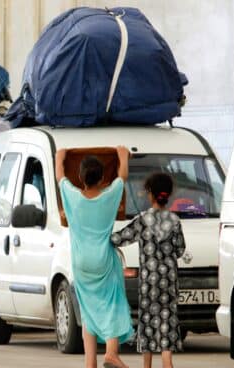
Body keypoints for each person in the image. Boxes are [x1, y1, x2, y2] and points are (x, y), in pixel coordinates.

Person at [56, 146, 134, 368]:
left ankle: (90, 362)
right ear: (102, 179)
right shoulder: (109, 197)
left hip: (80, 263)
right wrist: (121, 153)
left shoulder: (72, 196)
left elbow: (60, 174)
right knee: (112, 303)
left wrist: (61, 155)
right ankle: (111, 352)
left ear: (80, 177)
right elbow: (123, 176)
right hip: (103, 261)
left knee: (88, 309)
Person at [110, 173, 186, 368]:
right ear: (168, 194)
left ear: (150, 194)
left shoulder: (143, 220)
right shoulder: (175, 220)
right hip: (169, 283)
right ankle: (168, 363)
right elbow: (180, 250)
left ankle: (147, 366)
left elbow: (119, 238)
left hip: (148, 284)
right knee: (166, 325)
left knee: (148, 325)